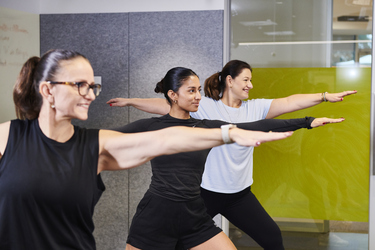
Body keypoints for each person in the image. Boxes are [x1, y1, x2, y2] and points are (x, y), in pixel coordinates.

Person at [0, 51, 296, 250]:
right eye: (80, 85)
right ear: (47, 90)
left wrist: (228, 133)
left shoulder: (94, 145)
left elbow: (164, 141)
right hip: (156, 216)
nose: (90, 94)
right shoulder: (6, 137)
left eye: (93, 86)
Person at [107, 60, 355, 250]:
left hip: (211, 204)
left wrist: (308, 121)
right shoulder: (163, 122)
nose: (197, 96)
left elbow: (258, 123)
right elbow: (106, 138)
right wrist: (129, 103)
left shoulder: (207, 123)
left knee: (267, 237)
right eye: (190, 91)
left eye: (197, 91)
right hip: (167, 208)